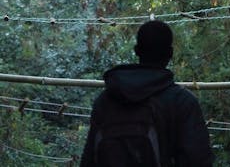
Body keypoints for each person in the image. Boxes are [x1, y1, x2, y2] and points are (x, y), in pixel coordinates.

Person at [80, 20, 214, 167]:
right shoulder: (182, 102)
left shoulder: (105, 100)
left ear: (136, 50)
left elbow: (89, 159)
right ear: (170, 53)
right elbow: (198, 159)